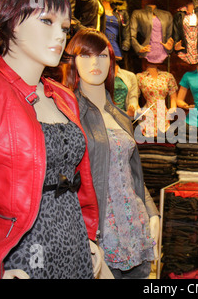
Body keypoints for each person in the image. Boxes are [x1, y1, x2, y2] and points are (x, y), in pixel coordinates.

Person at [0, 0, 99, 279]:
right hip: (19, 257)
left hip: (75, 248)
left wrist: (89, 235)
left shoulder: (63, 96)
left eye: (64, 27)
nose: (59, 36)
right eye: (46, 21)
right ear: (9, 21)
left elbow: (80, 180)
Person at [61, 28, 160, 279]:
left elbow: (133, 175)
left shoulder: (120, 116)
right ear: (72, 61)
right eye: (86, 56)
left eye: (103, 56)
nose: (95, 63)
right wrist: (83, 240)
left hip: (135, 228)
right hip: (99, 234)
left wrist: (152, 213)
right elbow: (62, 188)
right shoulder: (66, 115)